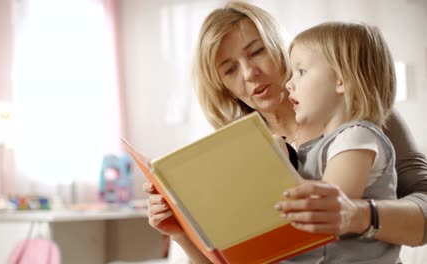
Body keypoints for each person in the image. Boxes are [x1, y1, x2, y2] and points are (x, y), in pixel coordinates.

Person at [143, 1, 427, 263]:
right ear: (223, 87)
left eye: (257, 51)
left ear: (281, 46)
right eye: (229, 70)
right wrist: (181, 231)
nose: (249, 73)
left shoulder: (362, 113)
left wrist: (359, 215)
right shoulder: (236, 151)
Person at [277, 21, 399, 263]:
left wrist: (278, 162)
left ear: (341, 81)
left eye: (301, 71)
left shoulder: (356, 137)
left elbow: (327, 216)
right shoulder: (323, 145)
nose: (289, 83)